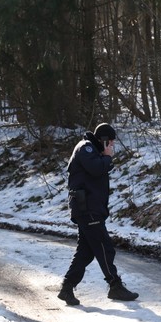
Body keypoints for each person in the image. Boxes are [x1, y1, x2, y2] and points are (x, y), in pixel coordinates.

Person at [58, 123, 139, 305]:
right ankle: (115, 286)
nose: (111, 146)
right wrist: (108, 158)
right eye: (110, 142)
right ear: (102, 140)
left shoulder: (92, 150)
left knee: (86, 252)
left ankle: (67, 288)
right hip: (87, 209)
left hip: (89, 208)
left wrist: (105, 157)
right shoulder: (86, 148)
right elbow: (95, 169)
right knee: (104, 248)